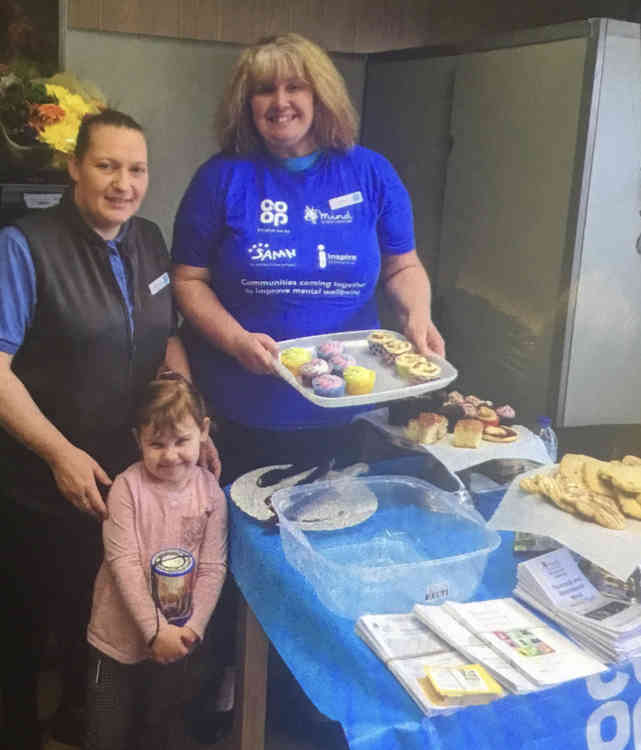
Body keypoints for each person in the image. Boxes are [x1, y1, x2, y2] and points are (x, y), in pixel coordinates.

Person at [0, 109, 219, 749]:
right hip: (40, 484)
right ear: (74, 167)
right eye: (106, 165)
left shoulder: (148, 239)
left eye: (136, 169)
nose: (123, 182)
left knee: (97, 623)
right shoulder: (25, 246)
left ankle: (77, 727)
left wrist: (188, 417)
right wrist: (58, 453)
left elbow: (167, 337)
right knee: (31, 624)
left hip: (129, 483)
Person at [171, 32, 445, 485]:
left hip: (348, 411)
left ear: (321, 94)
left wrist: (416, 314)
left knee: (333, 529)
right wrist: (237, 340)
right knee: (244, 539)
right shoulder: (220, 178)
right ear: (247, 103)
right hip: (240, 410)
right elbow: (186, 280)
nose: (280, 101)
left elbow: (403, 265)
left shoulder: (371, 173)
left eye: (294, 86)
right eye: (264, 89)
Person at [84, 373, 227, 750]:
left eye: (182, 441)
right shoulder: (125, 489)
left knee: (159, 728)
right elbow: (123, 564)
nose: (170, 454)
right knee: (107, 732)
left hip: (178, 642)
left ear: (203, 431)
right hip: (116, 639)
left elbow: (214, 567)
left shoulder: (211, 492)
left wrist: (192, 629)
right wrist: (152, 631)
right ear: (138, 440)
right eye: (156, 444)